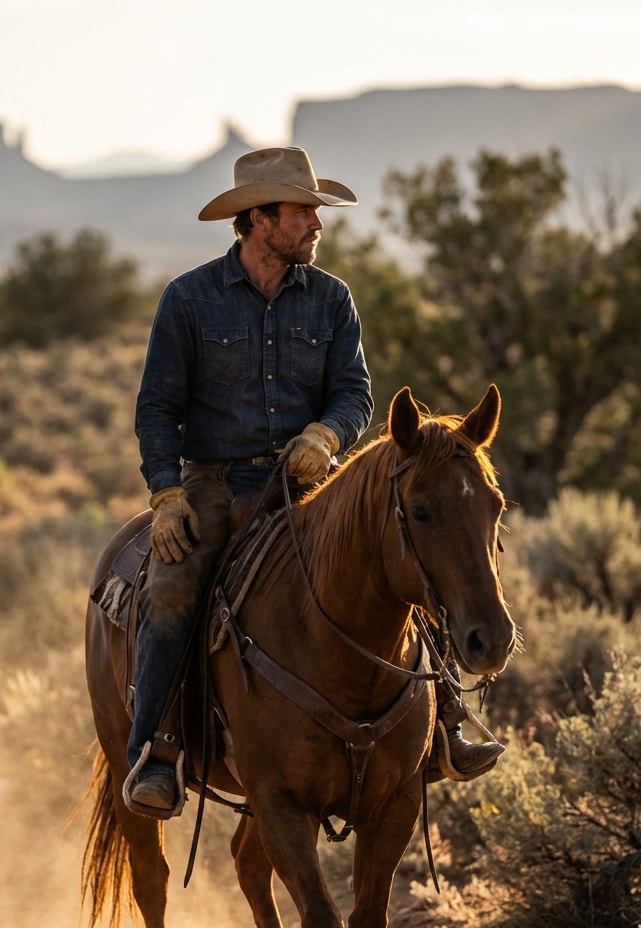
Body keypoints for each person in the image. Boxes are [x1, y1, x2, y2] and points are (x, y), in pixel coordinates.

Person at [127, 146, 502, 817]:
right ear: (257, 219)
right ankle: (157, 751)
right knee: (174, 587)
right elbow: (157, 406)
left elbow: (355, 391)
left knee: (409, 553)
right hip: (218, 483)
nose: (316, 223)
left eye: (314, 210)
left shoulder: (332, 299)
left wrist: (327, 435)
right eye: (302, 211)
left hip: (310, 479)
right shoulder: (189, 300)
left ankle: (445, 726)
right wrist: (167, 494)